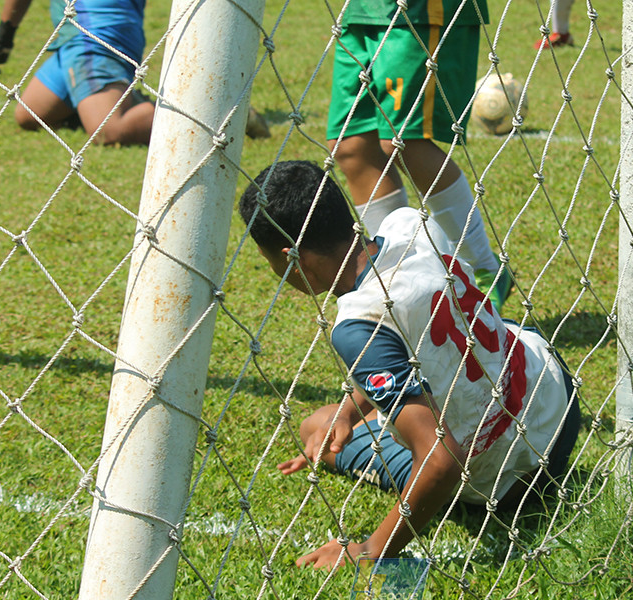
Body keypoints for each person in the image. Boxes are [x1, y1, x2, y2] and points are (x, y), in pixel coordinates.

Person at [238, 161, 580, 569]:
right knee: (334, 418)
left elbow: (442, 460)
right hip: (556, 393)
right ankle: (371, 413)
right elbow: (422, 336)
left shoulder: (356, 325)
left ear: (292, 257)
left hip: (513, 477)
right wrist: (349, 411)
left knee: (314, 428)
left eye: (270, 263)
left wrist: (368, 552)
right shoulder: (409, 223)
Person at [327, 0, 514, 313]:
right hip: (361, 10)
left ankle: (483, 269)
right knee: (351, 145)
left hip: (417, 10)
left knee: (403, 140)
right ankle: (399, 278)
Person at [0, 0, 270, 145]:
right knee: (30, 115)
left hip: (96, 32)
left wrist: (6, 31)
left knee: (110, 130)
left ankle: (222, 113)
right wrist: (5, 31)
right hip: (71, 35)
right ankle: (109, 100)